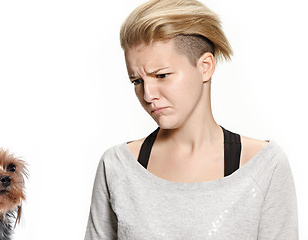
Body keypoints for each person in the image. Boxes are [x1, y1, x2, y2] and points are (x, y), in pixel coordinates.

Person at [84, 0, 298, 239]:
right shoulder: (117, 167)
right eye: (137, 81)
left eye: (162, 75)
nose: (147, 94)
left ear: (205, 67)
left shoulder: (263, 166)